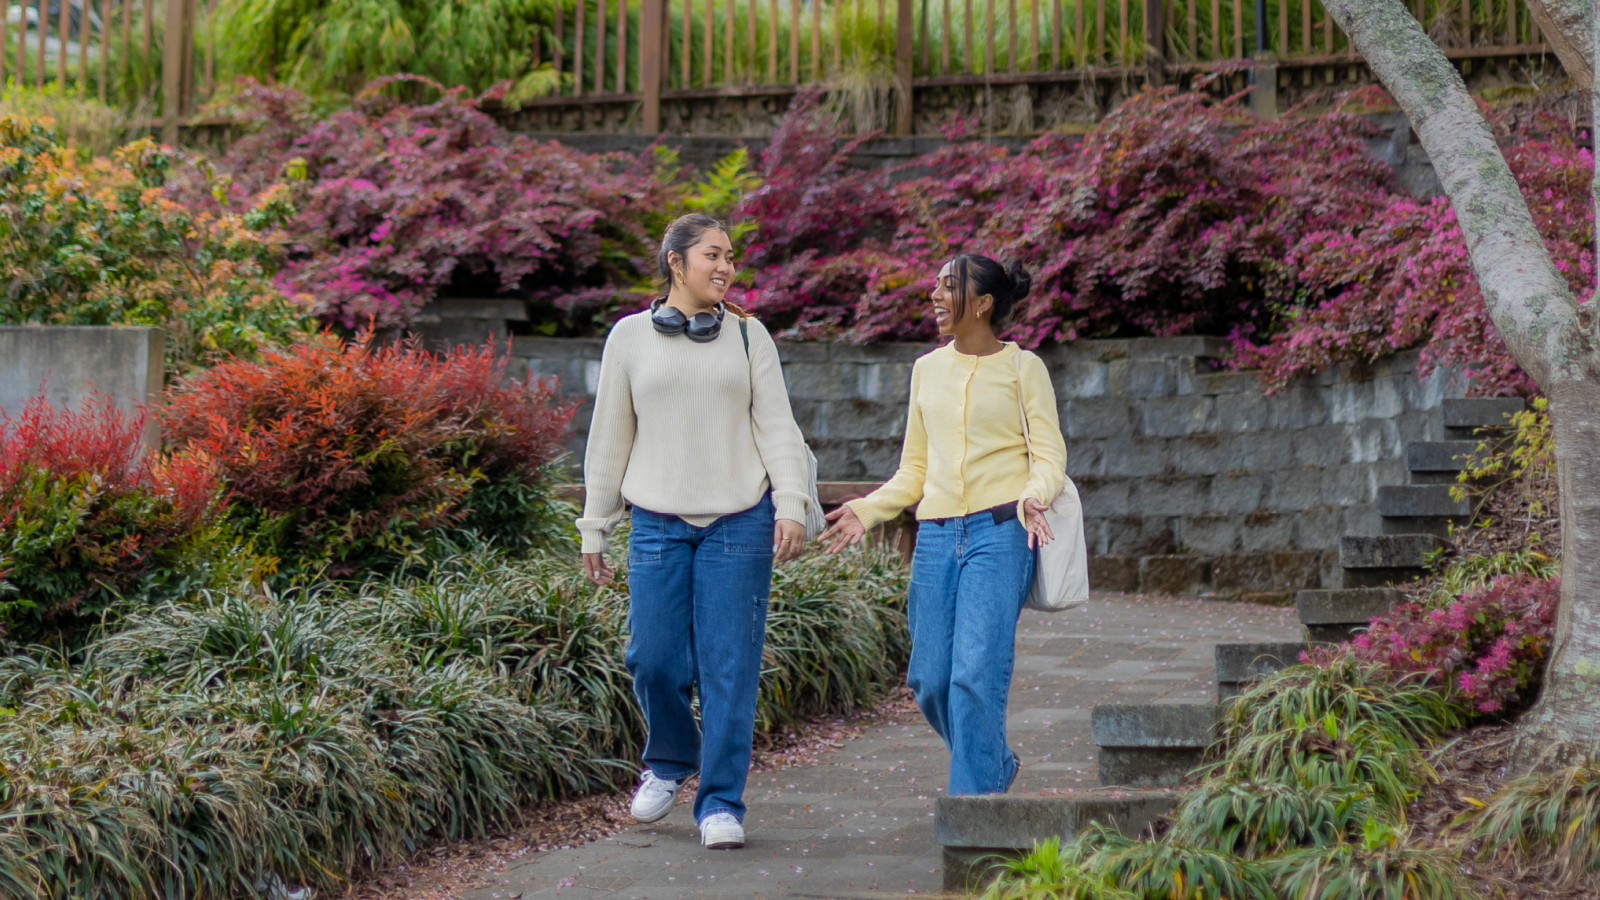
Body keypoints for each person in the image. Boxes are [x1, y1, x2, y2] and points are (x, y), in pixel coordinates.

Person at [577, 214, 811, 849]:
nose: (726, 267)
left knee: (728, 669)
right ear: (676, 263)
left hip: (739, 519)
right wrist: (595, 526)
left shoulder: (748, 336)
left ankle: (720, 803)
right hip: (655, 522)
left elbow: (777, 427)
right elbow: (609, 439)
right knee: (651, 659)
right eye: (713, 255)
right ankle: (671, 759)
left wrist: (790, 501)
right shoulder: (628, 338)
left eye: (731, 256)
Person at [817, 254, 1065, 796]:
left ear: (982, 303)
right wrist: (868, 508)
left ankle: (974, 813)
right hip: (934, 538)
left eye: (947, 286)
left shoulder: (1025, 370)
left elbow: (1048, 456)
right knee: (930, 679)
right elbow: (915, 469)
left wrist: (1033, 495)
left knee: (974, 675)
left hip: (1001, 533)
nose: (933, 295)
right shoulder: (927, 369)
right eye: (935, 284)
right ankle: (991, 762)